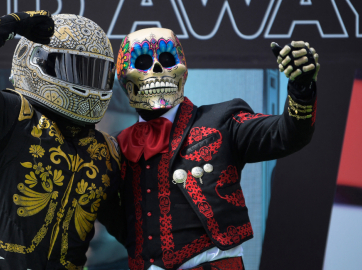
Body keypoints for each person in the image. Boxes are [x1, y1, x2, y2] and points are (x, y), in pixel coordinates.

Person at [0, 11, 123, 270]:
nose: (86, 82)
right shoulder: (11, 116)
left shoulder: (107, 151)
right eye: (73, 67)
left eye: (96, 73)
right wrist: (8, 26)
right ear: (35, 61)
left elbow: (133, 231)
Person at [115, 28, 319, 270]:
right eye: (143, 62)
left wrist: (301, 88)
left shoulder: (221, 121)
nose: (158, 68)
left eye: (169, 60)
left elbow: (288, 133)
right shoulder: (118, 147)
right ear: (125, 81)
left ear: (184, 71)